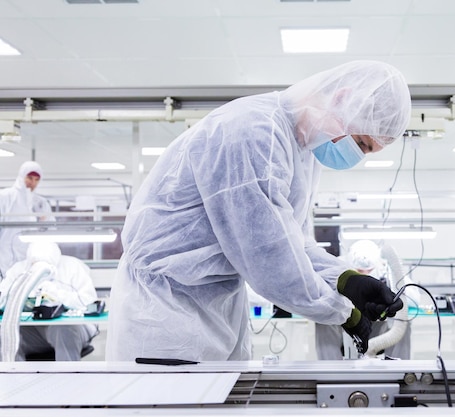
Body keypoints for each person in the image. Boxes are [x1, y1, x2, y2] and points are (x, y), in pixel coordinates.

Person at [105, 60, 410, 361]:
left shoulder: (301, 151)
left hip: (218, 306)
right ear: (342, 99)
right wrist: (343, 312)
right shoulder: (254, 131)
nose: (357, 156)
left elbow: (293, 241)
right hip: (165, 313)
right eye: (360, 143)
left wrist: (345, 279)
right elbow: (269, 257)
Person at [0, 242, 99, 361]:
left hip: (70, 331)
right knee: (7, 333)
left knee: (64, 330)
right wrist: (20, 296)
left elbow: (89, 302)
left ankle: (67, 377)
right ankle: (16, 377)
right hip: (35, 333)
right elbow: (2, 301)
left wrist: (58, 295)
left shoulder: (73, 268)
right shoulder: (18, 271)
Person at [315, 240, 412, 359]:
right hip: (342, 321)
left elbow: (412, 298)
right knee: (323, 322)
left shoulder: (385, 268)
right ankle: (330, 370)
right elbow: (318, 291)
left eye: (369, 270)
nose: (365, 273)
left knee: (403, 324)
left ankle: (399, 370)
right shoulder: (337, 265)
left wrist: (389, 298)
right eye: (360, 271)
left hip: (375, 327)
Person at [0, 161, 55, 279]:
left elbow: (50, 229)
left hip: (29, 254)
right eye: (29, 178)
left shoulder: (40, 203)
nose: (33, 183)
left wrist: (43, 223)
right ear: (22, 176)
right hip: (5, 253)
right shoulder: (5, 197)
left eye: (36, 179)